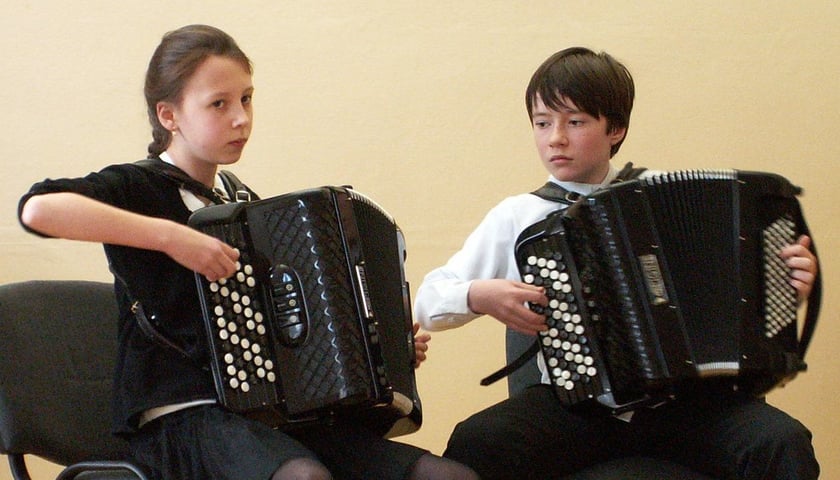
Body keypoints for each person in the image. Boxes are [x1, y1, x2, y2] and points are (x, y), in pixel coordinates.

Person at [18, 24, 478, 480]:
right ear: (168, 116)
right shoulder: (137, 186)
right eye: (218, 104)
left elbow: (289, 330)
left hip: (263, 417)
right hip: (179, 421)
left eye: (246, 99)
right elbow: (39, 210)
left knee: (444, 475)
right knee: (304, 478)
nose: (240, 117)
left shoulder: (241, 204)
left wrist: (381, 347)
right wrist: (171, 237)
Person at [413, 47, 820, 480]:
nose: (556, 138)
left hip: (682, 404)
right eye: (542, 122)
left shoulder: (658, 197)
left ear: (617, 128)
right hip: (574, 407)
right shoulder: (519, 215)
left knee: (781, 441)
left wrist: (784, 281)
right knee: (478, 443)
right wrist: (478, 295)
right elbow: (429, 301)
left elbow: (733, 296)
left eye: (576, 121)